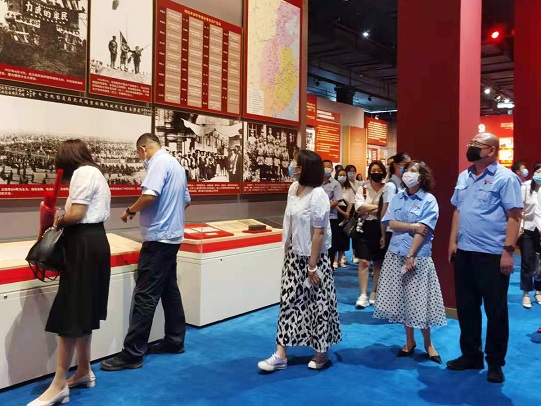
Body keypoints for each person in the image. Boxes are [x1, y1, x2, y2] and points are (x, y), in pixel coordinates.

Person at [29, 140, 111, 406]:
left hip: (83, 244)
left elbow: (76, 213)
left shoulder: (82, 173)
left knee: (71, 311)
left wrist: (56, 219)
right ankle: (84, 370)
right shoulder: (95, 172)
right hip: (95, 241)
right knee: (83, 310)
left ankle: (59, 384)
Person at [101, 133, 191, 371]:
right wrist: (170, 214)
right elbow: (186, 200)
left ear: (143, 149)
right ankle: (174, 340)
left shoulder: (158, 163)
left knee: (145, 295)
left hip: (158, 237)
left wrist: (130, 210)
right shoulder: (176, 165)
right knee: (169, 290)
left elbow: (150, 195)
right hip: (172, 236)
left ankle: (133, 353)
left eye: (139, 154)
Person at [447, 132, 523, 383]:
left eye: (476, 145)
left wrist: (508, 251)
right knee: (467, 308)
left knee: (495, 311)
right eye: (471, 143)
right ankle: (471, 355)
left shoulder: (506, 178)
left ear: (491, 150)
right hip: (464, 253)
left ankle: (495, 362)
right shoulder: (464, 176)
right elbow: (458, 211)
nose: (471, 147)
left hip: (492, 255)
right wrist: (452, 241)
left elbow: (514, 216)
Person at [257, 150, 341, 372]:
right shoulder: (293, 188)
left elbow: (319, 232)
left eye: (295, 162)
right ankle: (280, 354)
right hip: (294, 257)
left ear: (304, 167)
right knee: (288, 302)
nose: (291, 164)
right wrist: (286, 246)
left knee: (319, 305)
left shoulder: (318, 195)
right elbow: (290, 221)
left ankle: (321, 352)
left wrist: (312, 265)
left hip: (314, 259)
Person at [373, 161, 446, 364]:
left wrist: (411, 254)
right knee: (403, 300)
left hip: (417, 257)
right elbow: (390, 222)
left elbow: (424, 230)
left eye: (413, 171)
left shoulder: (429, 200)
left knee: (419, 302)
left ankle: (428, 344)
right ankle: (409, 341)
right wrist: (411, 226)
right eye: (406, 170)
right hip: (395, 254)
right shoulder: (398, 197)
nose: (408, 174)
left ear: (422, 176)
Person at [354, 161, 386, 308]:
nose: (376, 172)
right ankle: (363, 295)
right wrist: (379, 208)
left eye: (379, 170)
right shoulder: (363, 188)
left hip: (381, 227)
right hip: (364, 227)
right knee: (364, 261)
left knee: (378, 262)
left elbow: (389, 208)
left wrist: (370, 209)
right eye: (373, 170)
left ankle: (374, 293)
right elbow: (359, 207)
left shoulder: (387, 188)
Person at [380, 153, 411, 254]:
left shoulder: (404, 185)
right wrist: (383, 235)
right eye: (405, 164)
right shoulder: (391, 186)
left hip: (403, 230)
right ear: (396, 165)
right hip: (392, 231)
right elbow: (385, 211)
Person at [519, 162, 541, 308]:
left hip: (540, 230)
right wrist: (520, 227)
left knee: (540, 262)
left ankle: (538, 290)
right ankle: (526, 292)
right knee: (527, 261)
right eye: (539, 171)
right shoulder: (526, 187)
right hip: (527, 228)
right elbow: (519, 208)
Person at [322, 159, 343, 268]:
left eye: (328, 166)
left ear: (332, 169)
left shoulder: (335, 184)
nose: (326, 168)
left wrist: (324, 207)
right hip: (318, 218)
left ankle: (329, 267)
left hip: (331, 218)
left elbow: (337, 200)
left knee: (331, 245)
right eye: (324, 166)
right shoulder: (316, 183)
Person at [335, 168, 355, 267]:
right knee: (335, 236)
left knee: (344, 237)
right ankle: (334, 260)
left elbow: (351, 201)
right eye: (340, 175)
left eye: (344, 175)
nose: (342, 177)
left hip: (347, 213)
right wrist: (342, 213)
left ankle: (340, 259)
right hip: (336, 212)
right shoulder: (334, 186)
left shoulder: (349, 188)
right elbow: (333, 202)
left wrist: (347, 214)